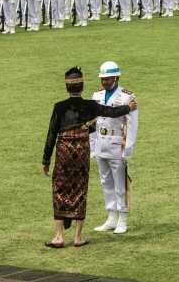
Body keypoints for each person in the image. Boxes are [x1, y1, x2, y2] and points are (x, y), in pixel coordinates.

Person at [42, 67, 137, 248]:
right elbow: (111, 112)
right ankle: (78, 237)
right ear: (82, 87)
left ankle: (59, 236)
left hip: (64, 151)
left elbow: (51, 134)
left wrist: (46, 160)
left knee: (60, 189)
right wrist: (128, 107)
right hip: (82, 152)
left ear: (67, 88)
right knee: (80, 189)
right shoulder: (91, 105)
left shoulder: (59, 107)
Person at [91, 61, 138, 235]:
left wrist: (128, 149)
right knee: (106, 181)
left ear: (116, 78)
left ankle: (123, 218)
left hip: (118, 143)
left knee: (121, 183)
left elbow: (132, 125)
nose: (104, 82)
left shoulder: (127, 96)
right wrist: (92, 145)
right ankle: (111, 216)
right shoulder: (97, 95)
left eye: (108, 78)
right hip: (102, 142)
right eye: (103, 79)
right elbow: (93, 121)